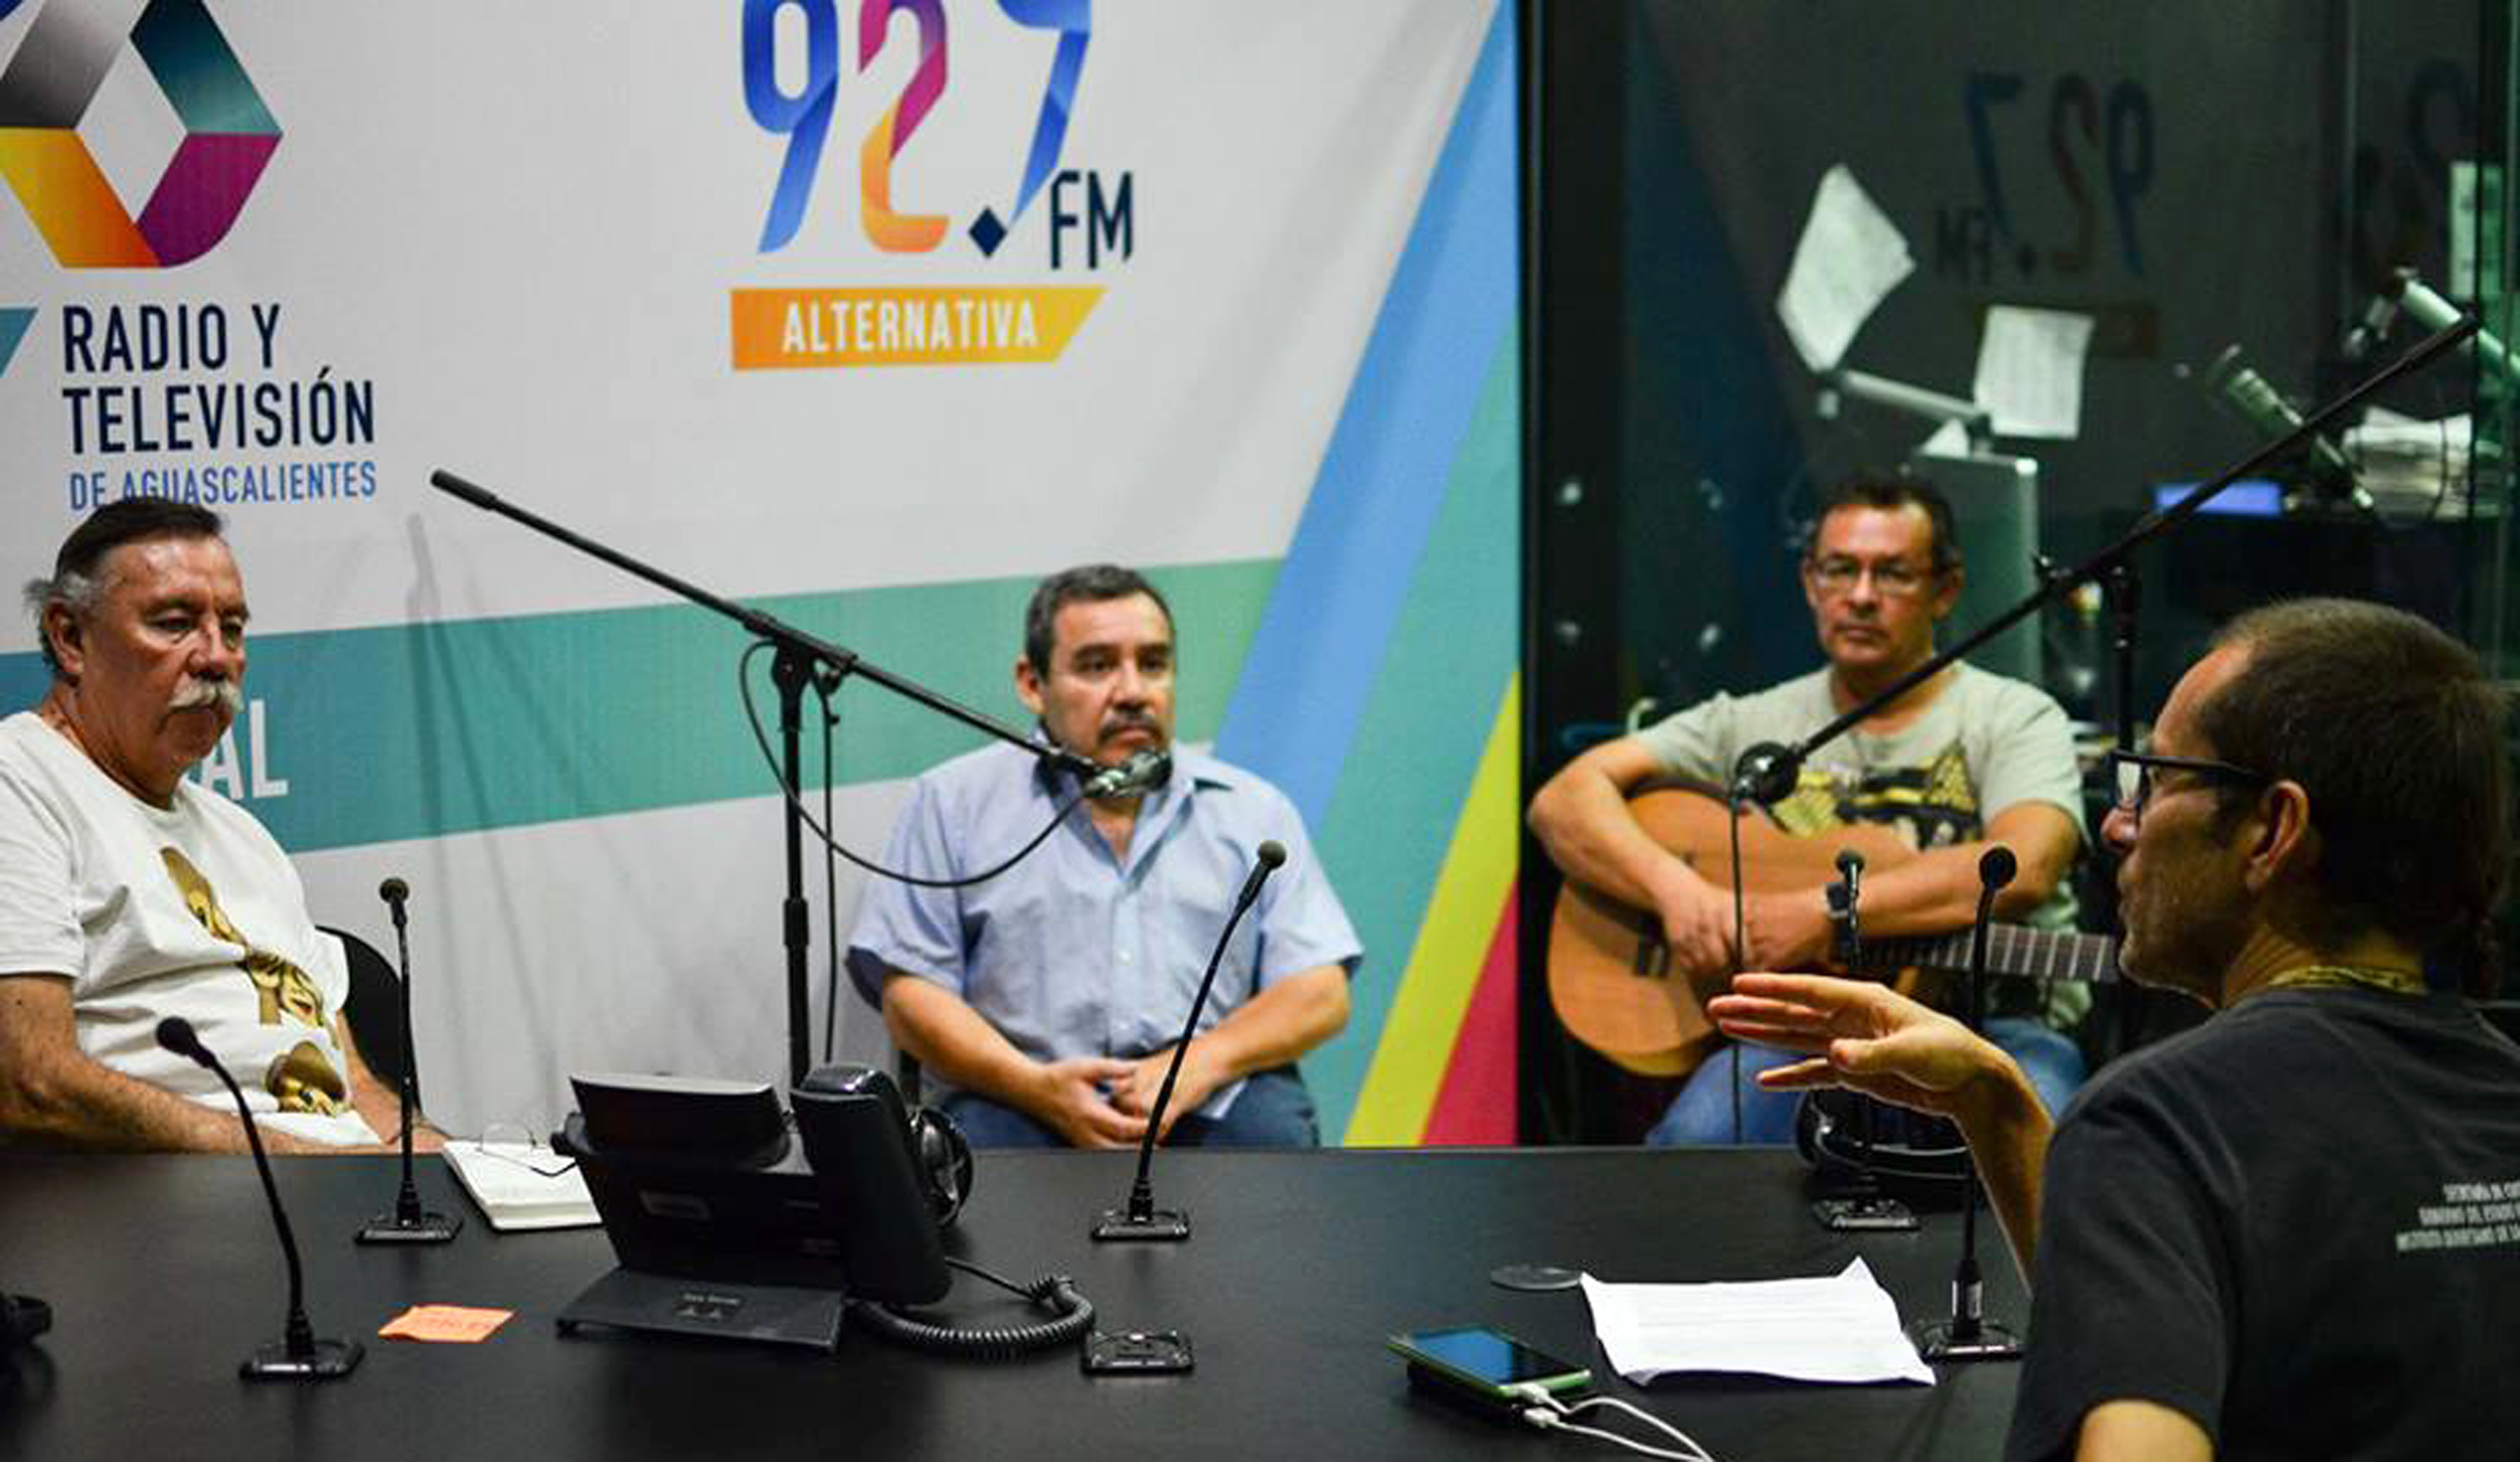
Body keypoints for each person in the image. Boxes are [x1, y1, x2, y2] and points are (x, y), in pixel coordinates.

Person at [1711, 598, 2520, 1461]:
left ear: (2272, 831)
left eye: (2156, 780)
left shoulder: (2166, 1120)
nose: (2117, 823)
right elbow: (2145, 1324)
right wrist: (1994, 1103)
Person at [1528, 472, 2087, 1143]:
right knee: (1691, 1148)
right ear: (1809, 582)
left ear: (1946, 590)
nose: (1861, 596)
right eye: (1840, 569)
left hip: (1993, 1029)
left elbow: (2025, 865)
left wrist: (1823, 914)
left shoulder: (2015, 717)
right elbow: (1563, 801)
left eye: (1893, 574)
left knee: (2057, 1164)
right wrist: (1679, 893)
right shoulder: (1750, 721)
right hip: (1799, 1034)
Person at [846, 564, 1360, 1149]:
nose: (1133, 691)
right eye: (1097, 666)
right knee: (973, 1151)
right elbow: (911, 995)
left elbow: (1320, 989)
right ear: (1032, 683)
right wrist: (1036, 1087)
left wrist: (1200, 1063)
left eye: (1153, 663)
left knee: (1272, 1133)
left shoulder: (1251, 810)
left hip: (1206, 1092)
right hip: (1018, 1094)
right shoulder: (952, 803)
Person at [0, 500, 430, 1153]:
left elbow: (357, 1089)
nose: (216, 657)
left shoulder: (243, 835)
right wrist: (306, 1162)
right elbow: (30, 1079)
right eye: (174, 624)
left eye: (231, 629)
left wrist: (449, 1169)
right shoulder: (20, 783)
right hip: (183, 1195)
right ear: (70, 638)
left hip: (336, 1184)